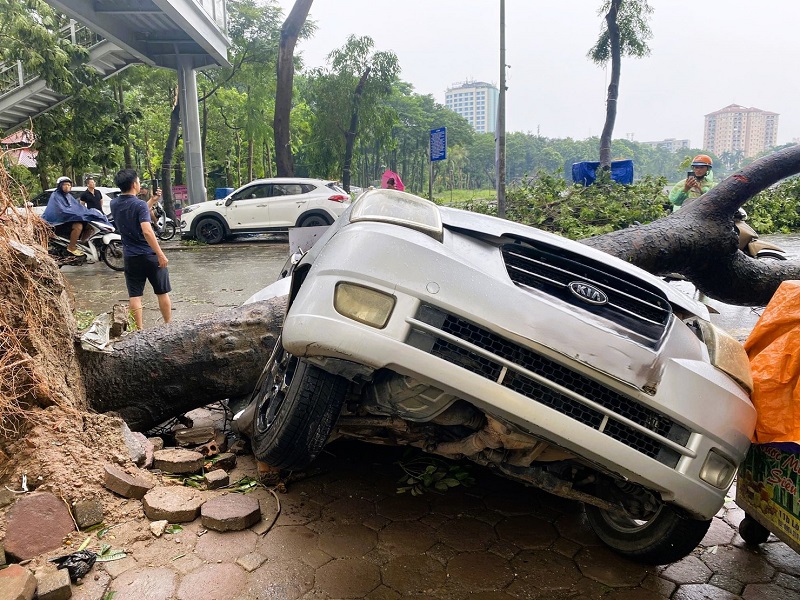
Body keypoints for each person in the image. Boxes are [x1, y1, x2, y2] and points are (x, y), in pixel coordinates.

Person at [110, 169, 172, 329]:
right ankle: (169, 326)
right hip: (150, 255)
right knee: (162, 292)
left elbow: (137, 210)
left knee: (135, 295)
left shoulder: (114, 203)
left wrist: (152, 200)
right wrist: (160, 253)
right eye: (137, 181)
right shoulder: (138, 205)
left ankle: (139, 331)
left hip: (131, 256)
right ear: (134, 184)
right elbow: (146, 230)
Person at [41, 176, 93, 256]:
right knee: (78, 226)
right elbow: (61, 210)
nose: (67, 186)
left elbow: (77, 206)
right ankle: (71, 247)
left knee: (89, 226)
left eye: (69, 185)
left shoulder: (68, 196)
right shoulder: (55, 196)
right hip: (56, 223)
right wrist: (74, 214)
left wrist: (86, 212)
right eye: (65, 184)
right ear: (60, 185)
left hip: (66, 220)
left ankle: (81, 244)